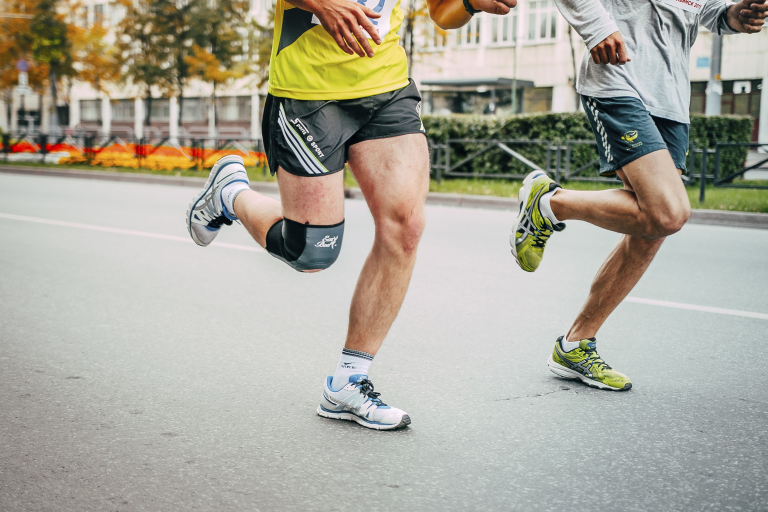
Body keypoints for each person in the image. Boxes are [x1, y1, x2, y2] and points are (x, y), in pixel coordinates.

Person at [186, 0, 515, 429]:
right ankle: (231, 193)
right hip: (310, 93)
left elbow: (442, 13)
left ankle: (348, 382)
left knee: (406, 228)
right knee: (310, 254)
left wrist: (471, 3)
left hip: (387, 87)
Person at [511, 0, 766, 391]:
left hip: (671, 98)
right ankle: (549, 203)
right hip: (619, 79)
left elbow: (708, 12)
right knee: (668, 213)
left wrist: (736, 14)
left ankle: (574, 345)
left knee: (652, 229)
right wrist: (596, 26)